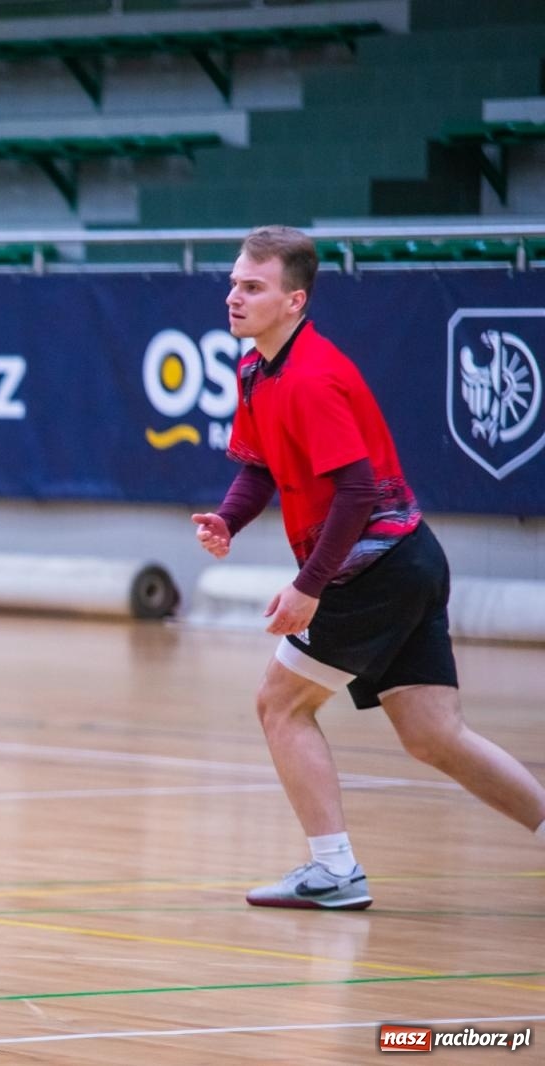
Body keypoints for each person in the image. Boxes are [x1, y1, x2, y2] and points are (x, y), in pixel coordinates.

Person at [193, 225, 545, 910]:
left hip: (374, 573)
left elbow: (356, 492)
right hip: (411, 562)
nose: (233, 297)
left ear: (294, 300)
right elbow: (261, 465)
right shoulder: (256, 369)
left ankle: (334, 870)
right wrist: (228, 520)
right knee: (434, 736)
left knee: (279, 704)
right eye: (234, 282)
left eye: (252, 287)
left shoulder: (314, 377)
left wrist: (307, 587)